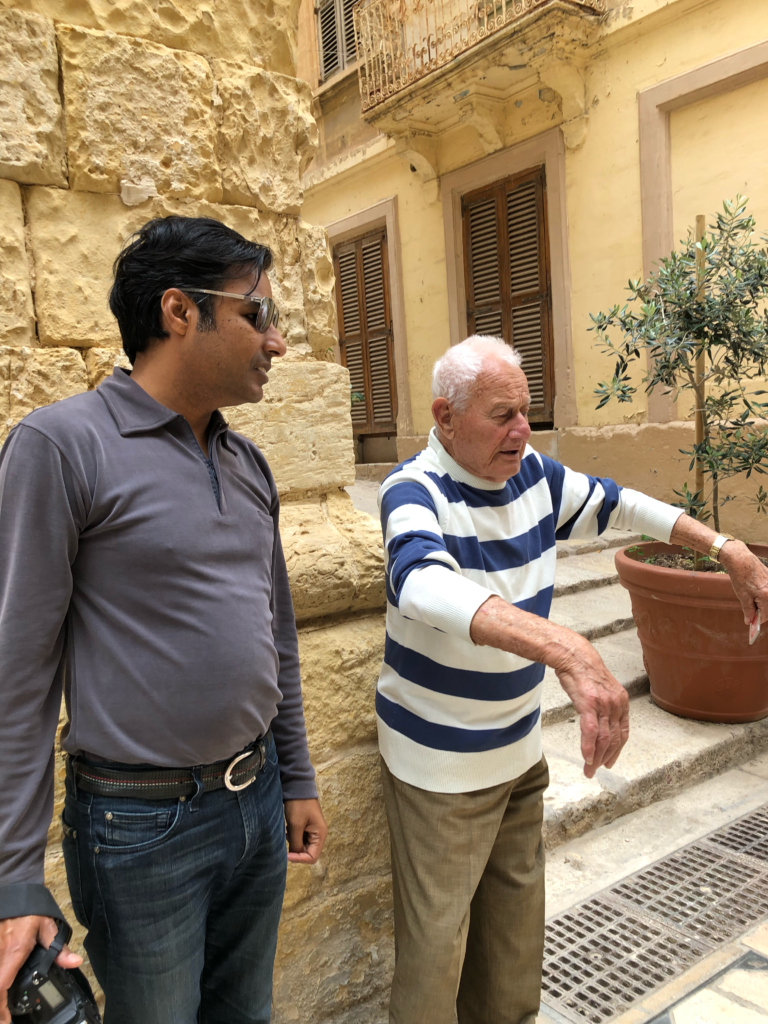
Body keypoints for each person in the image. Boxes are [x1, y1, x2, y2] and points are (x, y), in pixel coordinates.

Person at [377, 334, 768, 1024]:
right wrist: (566, 647)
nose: (523, 431)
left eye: (527, 412)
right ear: (445, 417)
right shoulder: (415, 489)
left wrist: (722, 545)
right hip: (442, 770)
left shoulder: (533, 474)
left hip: (518, 754)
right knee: (435, 961)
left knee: (513, 949)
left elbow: (622, 505)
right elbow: (420, 583)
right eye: (503, 415)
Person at [0, 216, 328, 1024]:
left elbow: (275, 634)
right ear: (180, 312)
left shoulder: (246, 463)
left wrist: (296, 774)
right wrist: (12, 875)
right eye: (257, 314)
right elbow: (17, 676)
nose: (277, 341)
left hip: (256, 808)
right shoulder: (61, 447)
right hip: (138, 828)